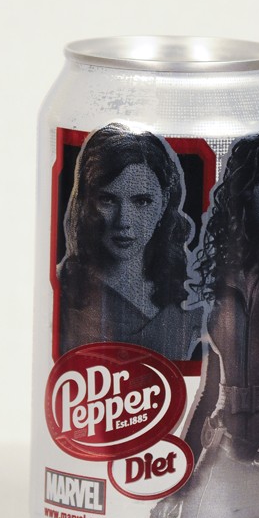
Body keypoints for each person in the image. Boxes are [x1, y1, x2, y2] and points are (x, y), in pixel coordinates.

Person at [149, 132, 259, 518]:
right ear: (243, 189)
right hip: (225, 457)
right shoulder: (220, 276)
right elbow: (208, 393)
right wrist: (175, 487)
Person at [58, 122, 201, 360]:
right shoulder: (62, 290)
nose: (123, 221)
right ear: (86, 201)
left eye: (142, 201)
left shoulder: (191, 293)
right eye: (107, 200)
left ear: (164, 202)